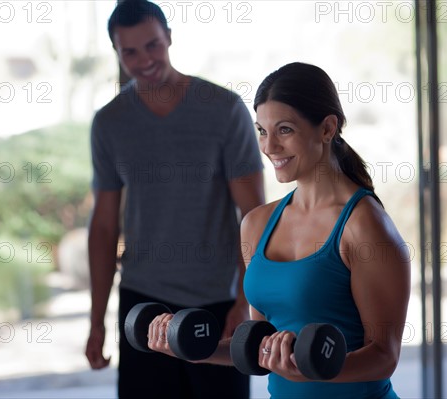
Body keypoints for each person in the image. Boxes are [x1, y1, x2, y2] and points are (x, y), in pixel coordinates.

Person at [148, 62, 411, 399]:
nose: (269, 146)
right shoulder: (256, 225)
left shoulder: (364, 226)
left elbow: (384, 356)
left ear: (327, 128)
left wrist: (311, 372)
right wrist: (191, 348)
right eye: (261, 130)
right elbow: (259, 345)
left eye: (284, 130)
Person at [84, 1, 265, 398]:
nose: (144, 59)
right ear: (116, 52)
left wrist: (244, 300)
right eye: (129, 51)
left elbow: (253, 215)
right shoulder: (110, 122)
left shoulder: (224, 110)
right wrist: (96, 320)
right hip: (142, 305)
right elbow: (103, 226)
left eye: (152, 45)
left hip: (217, 303)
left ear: (169, 38)